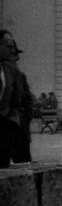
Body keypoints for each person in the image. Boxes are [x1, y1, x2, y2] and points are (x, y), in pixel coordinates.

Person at [0, 30, 33, 167]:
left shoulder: (17, 75)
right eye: (10, 47)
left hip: (15, 128)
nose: (15, 55)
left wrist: (21, 119)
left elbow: (27, 101)